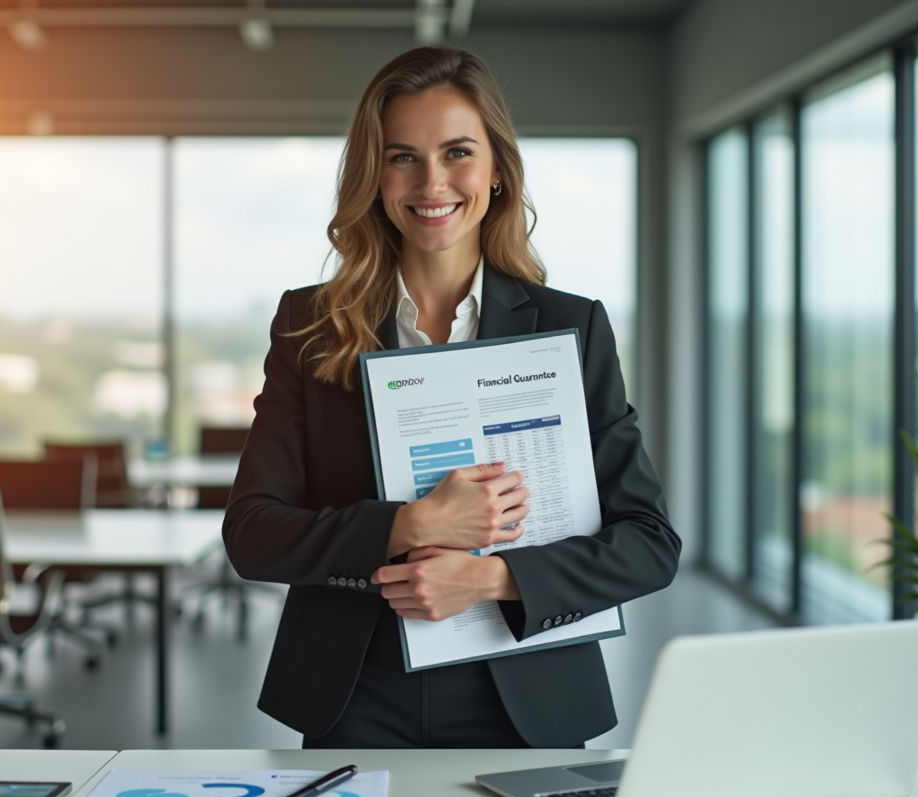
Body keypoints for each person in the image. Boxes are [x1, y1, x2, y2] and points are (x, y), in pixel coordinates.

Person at [223, 45, 680, 749]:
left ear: (497, 169)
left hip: (528, 695)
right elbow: (252, 535)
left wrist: (494, 580)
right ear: (373, 175)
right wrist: (406, 526)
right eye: (402, 155)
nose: (431, 181)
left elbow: (649, 544)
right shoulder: (310, 327)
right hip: (356, 695)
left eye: (457, 152)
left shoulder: (570, 326)